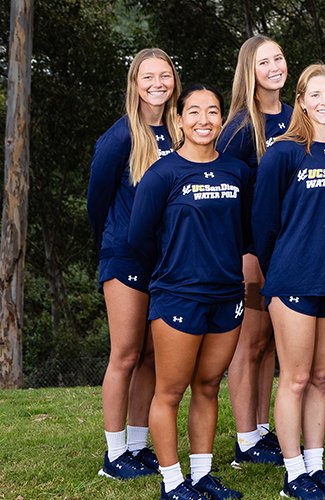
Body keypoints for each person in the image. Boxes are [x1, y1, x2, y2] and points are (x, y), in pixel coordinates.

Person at [128, 83, 253, 500]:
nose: (204, 120)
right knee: (170, 391)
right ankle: (173, 482)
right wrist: (176, 268)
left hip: (227, 296)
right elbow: (139, 239)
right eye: (194, 112)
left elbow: (247, 231)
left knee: (208, 385)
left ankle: (201, 476)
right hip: (179, 296)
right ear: (179, 120)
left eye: (212, 112)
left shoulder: (237, 170)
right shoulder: (163, 173)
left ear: (222, 118)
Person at [253, 64, 325, 499]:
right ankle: (293, 472)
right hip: (294, 279)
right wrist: (279, 268)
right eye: (315, 94)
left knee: (321, 378)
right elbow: (263, 223)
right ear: (300, 100)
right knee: (296, 379)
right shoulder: (283, 153)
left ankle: (316, 466)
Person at [89, 47, 180, 480]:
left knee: (149, 356)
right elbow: (96, 202)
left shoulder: (181, 130)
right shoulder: (121, 136)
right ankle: (113, 454)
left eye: (164, 75)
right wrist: (116, 242)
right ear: (135, 83)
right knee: (124, 354)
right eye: (148, 77)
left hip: (167, 260)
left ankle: (138, 446)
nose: (157, 83)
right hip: (125, 257)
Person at [218, 35, 293, 468]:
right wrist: (242, 251)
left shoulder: (294, 116)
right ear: (250, 71)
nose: (274, 67)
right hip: (249, 249)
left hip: (286, 246)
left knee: (268, 344)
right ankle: (245, 439)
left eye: (279, 59)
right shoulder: (240, 128)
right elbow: (224, 190)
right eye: (264, 62)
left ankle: (262, 430)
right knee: (248, 344)